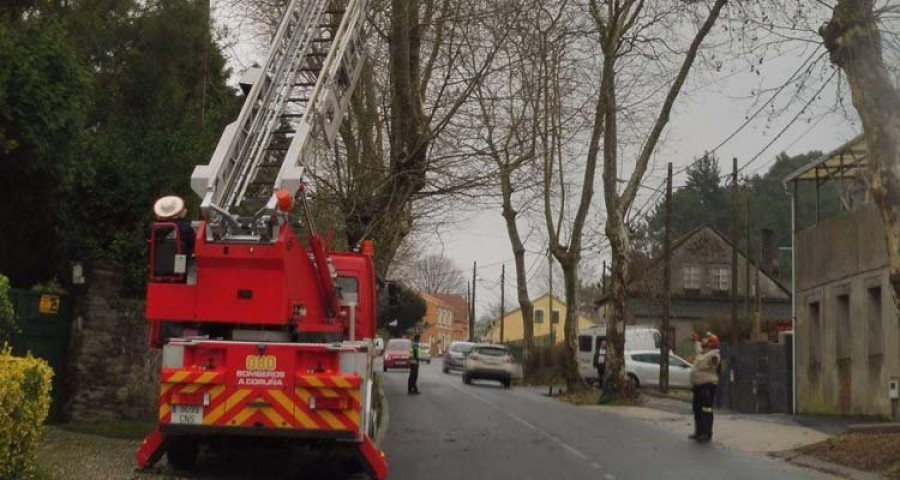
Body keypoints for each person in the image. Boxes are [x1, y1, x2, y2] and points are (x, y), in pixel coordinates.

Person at [689, 332, 721, 442]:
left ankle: (706, 433)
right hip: (698, 386)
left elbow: (704, 362)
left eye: (707, 341)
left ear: (711, 344)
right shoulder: (705, 353)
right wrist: (697, 341)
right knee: (697, 408)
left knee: (706, 409)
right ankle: (698, 431)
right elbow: (699, 352)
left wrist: (700, 353)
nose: (705, 343)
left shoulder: (714, 355)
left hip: (707, 386)